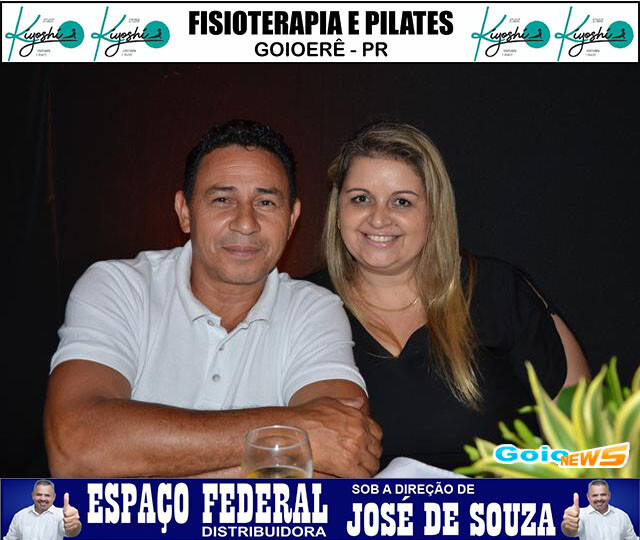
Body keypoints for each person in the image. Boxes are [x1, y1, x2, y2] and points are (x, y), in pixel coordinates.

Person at [45, 119, 382, 479]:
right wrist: (296, 432)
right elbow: (76, 448)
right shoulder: (119, 287)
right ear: (185, 212)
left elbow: (343, 458)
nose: (246, 223)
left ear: (292, 218)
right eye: (222, 200)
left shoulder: (314, 309)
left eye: (266, 202)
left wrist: (142, 455)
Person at [307, 121, 590, 471]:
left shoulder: (497, 290)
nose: (379, 219)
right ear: (339, 210)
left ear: (433, 213)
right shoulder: (304, 305)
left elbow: (588, 440)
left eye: (402, 202)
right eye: (361, 199)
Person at [3, 480, 81, 540]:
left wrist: (75, 526)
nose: (43, 499)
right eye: (39, 494)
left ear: (54, 497)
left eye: (47, 495)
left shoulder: (62, 515)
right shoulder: (19, 516)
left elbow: (71, 532)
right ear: (33, 495)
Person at [561, 480, 638, 539]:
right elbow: (570, 532)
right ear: (588, 497)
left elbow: (632, 538)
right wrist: (567, 525)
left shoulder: (622, 516)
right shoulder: (580, 515)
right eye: (595, 495)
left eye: (603, 494)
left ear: (609, 495)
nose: (599, 499)